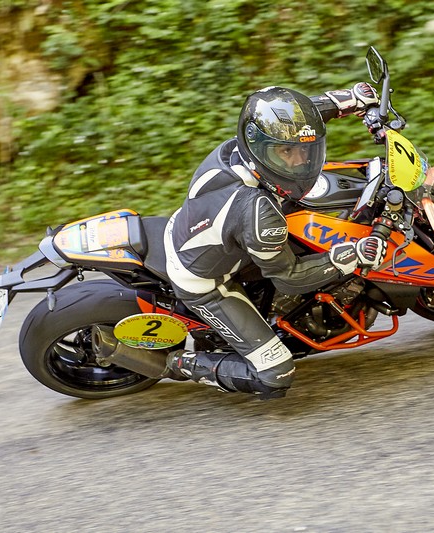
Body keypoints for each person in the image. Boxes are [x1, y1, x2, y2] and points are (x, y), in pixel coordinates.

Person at [163, 82, 387, 399]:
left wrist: (347, 100)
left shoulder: (239, 148)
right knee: (275, 374)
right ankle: (176, 363)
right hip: (205, 281)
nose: (299, 161)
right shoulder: (258, 212)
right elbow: (290, 279)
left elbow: (292, 121)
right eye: (287, 152)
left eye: (304, 150)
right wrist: (352, 256)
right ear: (264, 148)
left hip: (203, 233)